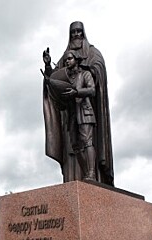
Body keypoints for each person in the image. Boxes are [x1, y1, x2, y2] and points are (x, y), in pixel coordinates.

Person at [42, 21, 113, 185]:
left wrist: (85, 77)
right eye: (73, 32)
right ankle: (82, 175)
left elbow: (96, 77)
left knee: (87, 142)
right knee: (74, 145)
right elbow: (54, 78)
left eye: (79, 31)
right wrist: (47, 65)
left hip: (87, 110)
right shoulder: (65, 58)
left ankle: (91, 173)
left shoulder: (92, 56)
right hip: (71, 112)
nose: (76, 35)